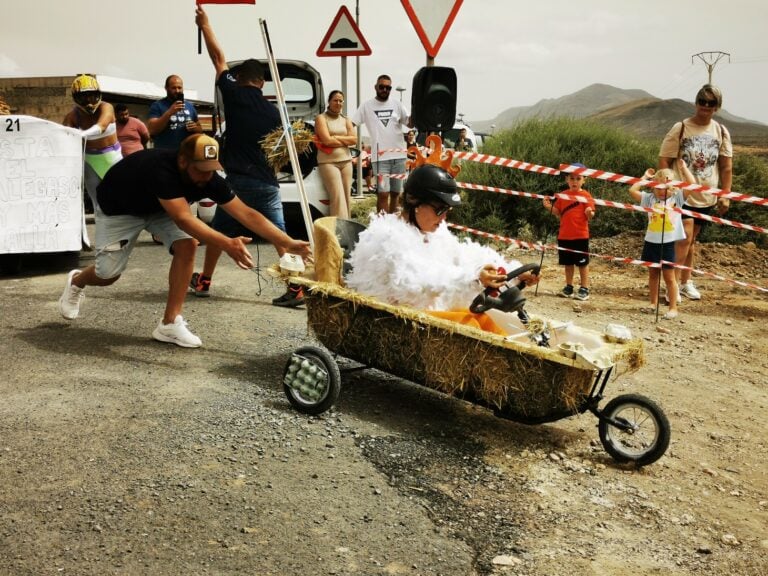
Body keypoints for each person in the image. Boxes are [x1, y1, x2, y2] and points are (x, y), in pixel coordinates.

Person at [57, 134, 310, 348]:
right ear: (183, 161)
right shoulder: (161, 170)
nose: (206, 177)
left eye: (211, 170)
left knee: (187, 244)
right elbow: (183, 219)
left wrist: (287, 241)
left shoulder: (209, 178)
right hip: (120, 209)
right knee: (108, 275)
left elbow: (246, 213)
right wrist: (227, 243)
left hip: (159, 208)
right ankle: (77, 281)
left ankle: (169, 324)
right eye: (200, 170)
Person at [346, 162, 540, 335]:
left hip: (426, 311)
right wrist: (471, 278)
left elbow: (463, 254)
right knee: (471, 326)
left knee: (487, 320)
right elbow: (417, 282)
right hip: (397, 320)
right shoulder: (388, 238)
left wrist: (506, 273)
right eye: (439, 209)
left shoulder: (432, 230)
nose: (444, 217)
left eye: (447, 210)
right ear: (414, 201)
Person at [194, 6, 300, 306]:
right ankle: (295, 288)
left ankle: (204, 281)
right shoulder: (274, 111)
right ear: (262, 82)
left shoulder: (234, 93)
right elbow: (282, 151)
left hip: (239, 182)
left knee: (217, 232)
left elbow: (218, 59)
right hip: (268, 183)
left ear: (240, 79)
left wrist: (205, 24)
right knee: (281, 236)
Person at [658, 83, 733, 301]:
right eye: (702, 101)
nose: (706, 106)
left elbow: (726, 166)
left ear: (717, 107)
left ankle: (685, 282)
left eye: (711, 103)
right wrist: (666, 183)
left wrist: (724, 195)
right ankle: (670, 285)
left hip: (706, 195)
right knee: (683, 238)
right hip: (681, 194)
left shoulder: (721, 131)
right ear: (696, 102)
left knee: (691, 242)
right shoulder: (680, 127)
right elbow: (665, 158)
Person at [629, 162, 695, 320]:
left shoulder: (677, 199)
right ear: (653, 187)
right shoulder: (649, 199)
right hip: (651, 242)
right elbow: (632, 190)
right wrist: (645, 178)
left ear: (673, 187)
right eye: (658, 188)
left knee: (669, 277)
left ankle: (673, 308)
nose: (662, 192)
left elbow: (692, 185)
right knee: (653, 275)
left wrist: (684, 169)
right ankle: (653, 304)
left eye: (666, 188)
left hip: (667, 244)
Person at [352, 75, 410, 214]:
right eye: (381, 87)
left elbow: (410, 123)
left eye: (388, 87)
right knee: (383, 193)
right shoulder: (366, 106)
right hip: (380, 158)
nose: (385, 89)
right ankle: (382, 226)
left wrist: (419, 107)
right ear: (375, 87)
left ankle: (393, 226)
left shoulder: (397, 104)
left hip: (399, 156)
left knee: (396, 193)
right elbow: (352, 123)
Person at [62, 74, 122, 207]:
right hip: (90, 161)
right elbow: (63, 135)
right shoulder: (73, 116)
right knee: (97, 203)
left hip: (113, 158)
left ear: (98, 94)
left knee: (121, 196)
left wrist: (82, 134)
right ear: (75, 98)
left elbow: (101, 126)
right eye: (83, 97)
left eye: (92, 96)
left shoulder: (106, 107)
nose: (89, 101)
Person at [542, 164, 595, 301]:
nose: (575, 181)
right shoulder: (563, 195)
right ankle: (569, 287)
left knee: (582, 263)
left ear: (584, 180)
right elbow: (558, 212)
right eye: (572, 178)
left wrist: (589, 213)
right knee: (568, 263)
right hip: (564, 235)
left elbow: (591, 214)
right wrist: (549, 207)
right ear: (567, 179)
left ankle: (584, 288)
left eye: (578, 178)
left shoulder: (586, 195)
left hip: (580, 235)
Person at [315, 90, 356, 218]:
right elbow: (326, 141)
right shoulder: (321, 118)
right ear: (329, 101)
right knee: (337, 196)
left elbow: (354, 140)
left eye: (340, 101)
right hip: (328, 163)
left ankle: (348, 226)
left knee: (347, 197)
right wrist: (344, 140)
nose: (338, 103)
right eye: (335, 100)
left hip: (346, 162)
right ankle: (339, 230)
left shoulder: (346, 120)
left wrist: (335, 137)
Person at [148, 75, 203, 150]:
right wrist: (170, 112)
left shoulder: (190, 106)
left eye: (179, 88)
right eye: (173, 88)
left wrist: (195, 128)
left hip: (186, 153)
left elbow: (200, 129)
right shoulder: (157, 105)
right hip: (164, 154)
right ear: (166, 88)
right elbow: (152, 130)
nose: (177, 91)